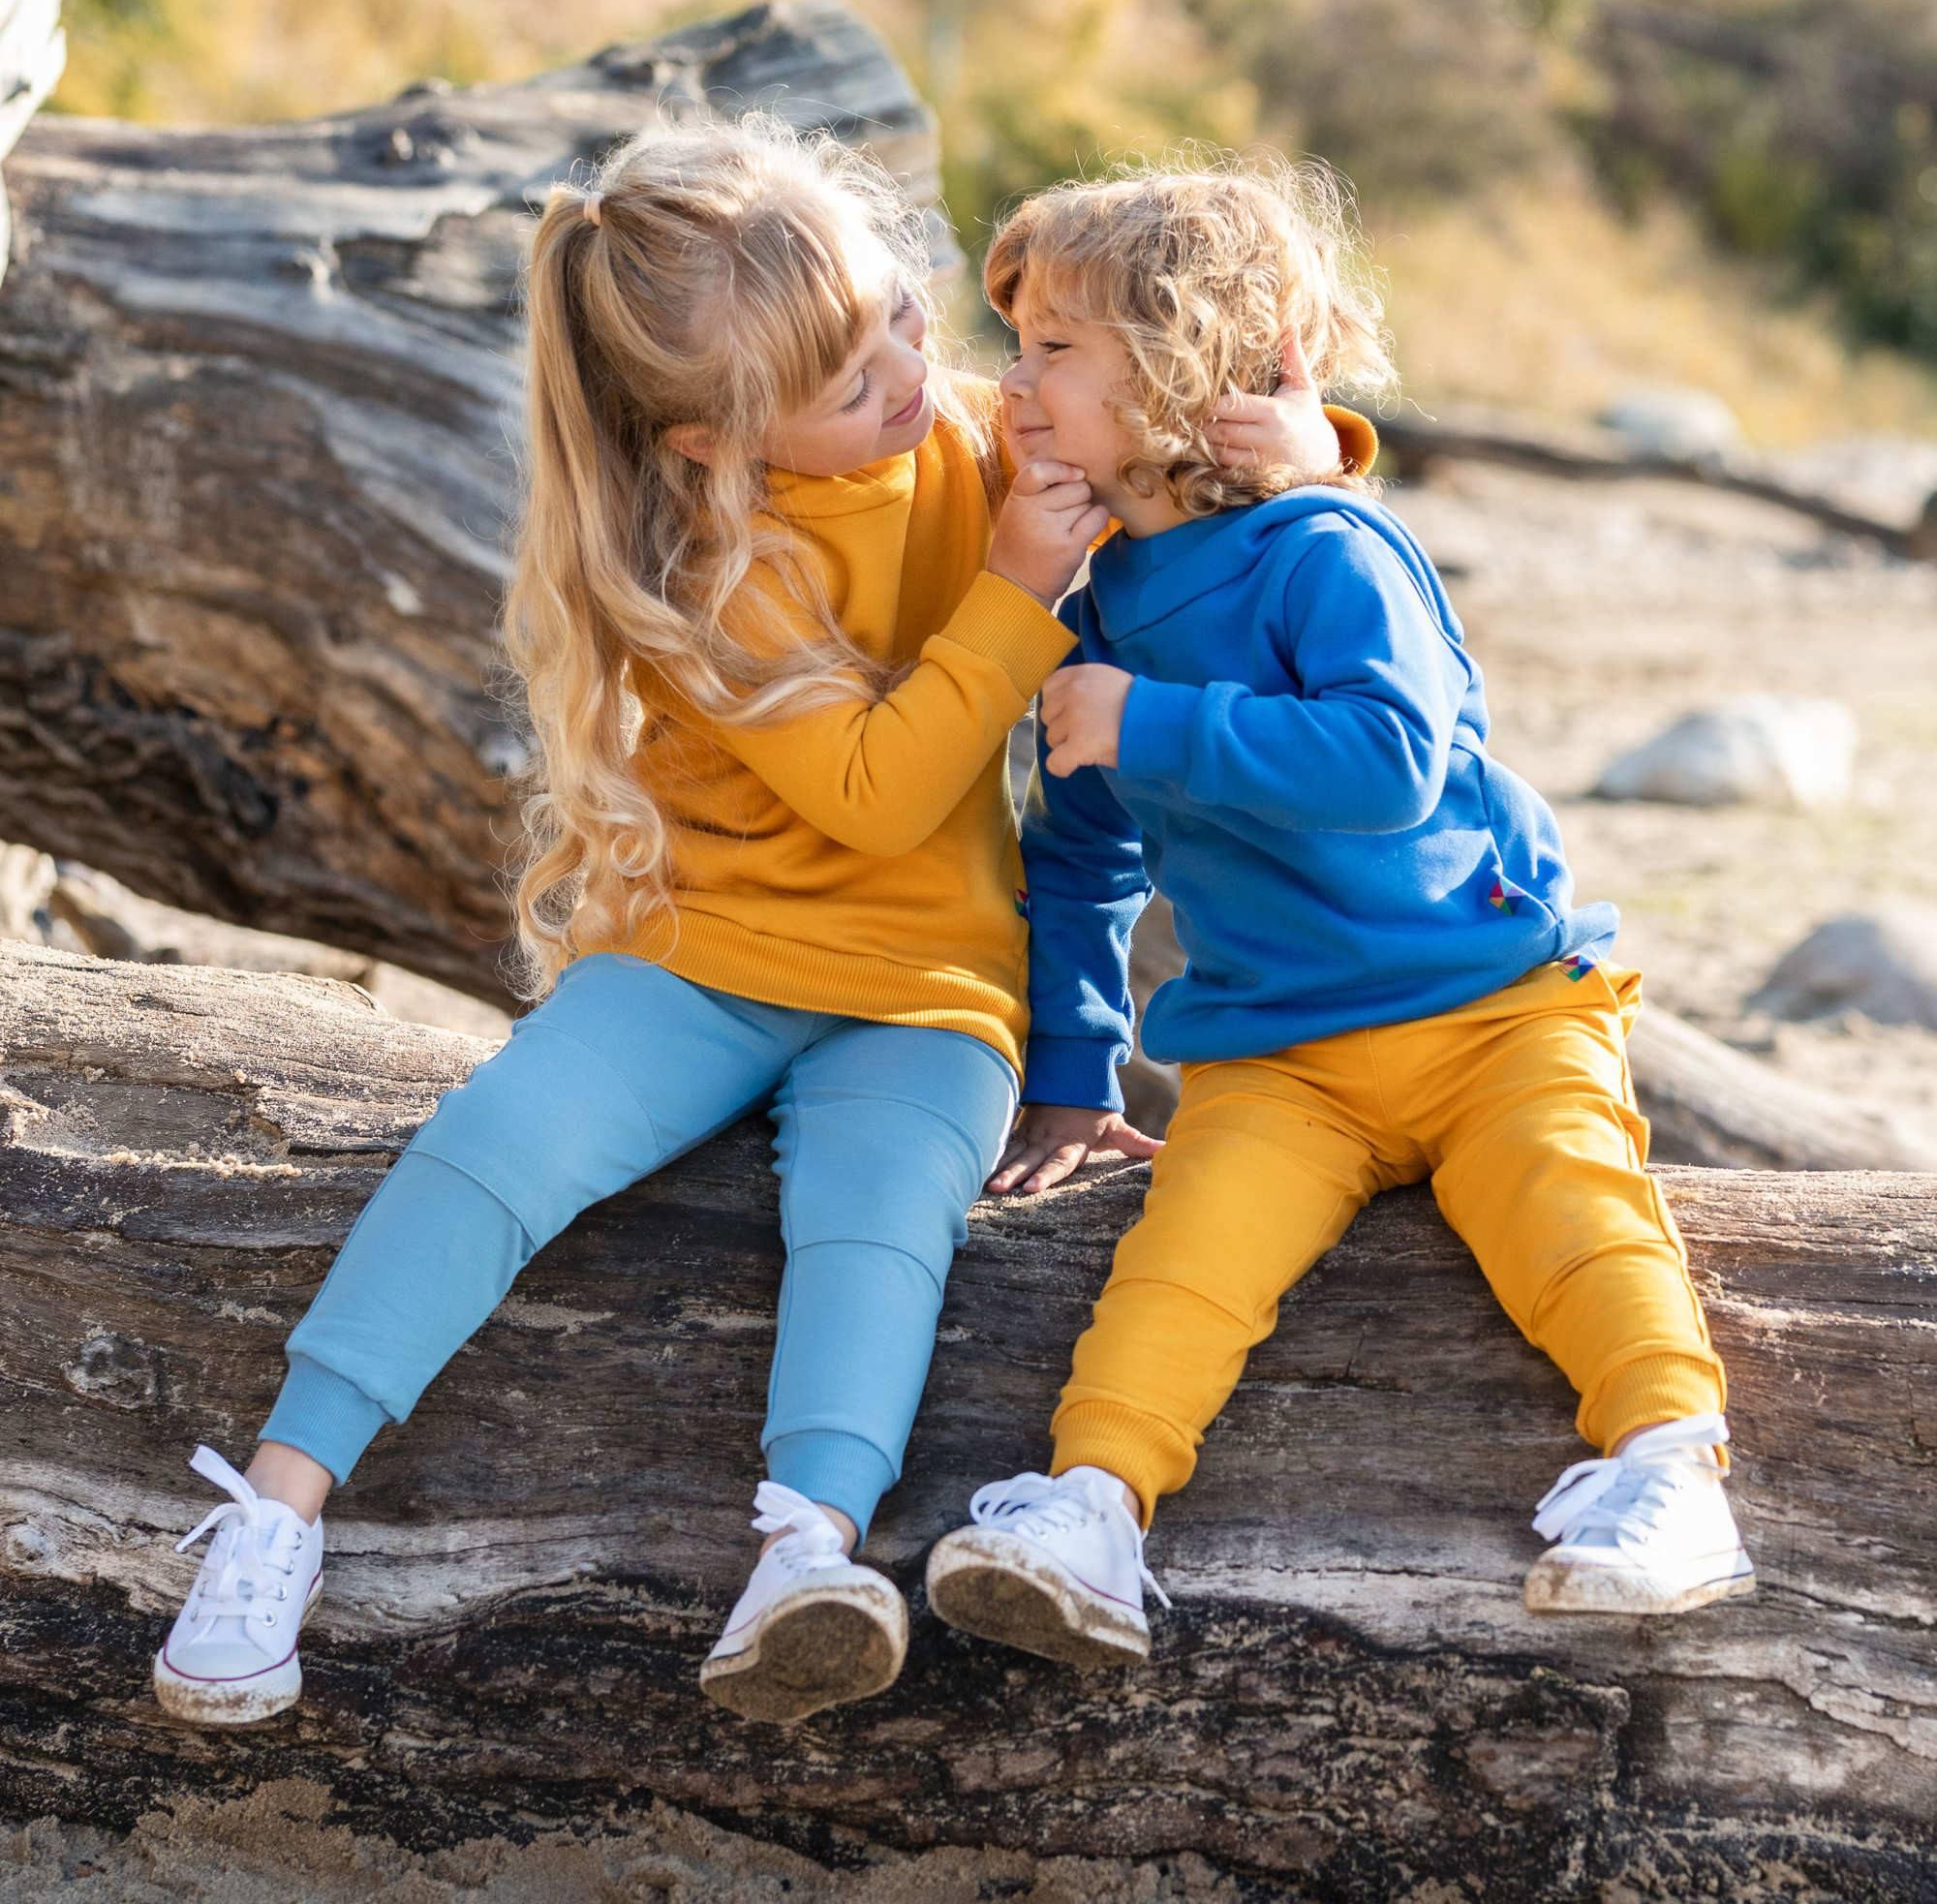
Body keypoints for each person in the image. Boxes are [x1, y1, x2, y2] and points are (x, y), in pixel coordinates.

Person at [150, 116, 1371, 1728]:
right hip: (704, 961)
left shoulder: (954, 439)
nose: (907, 365)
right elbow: (872, 790)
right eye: (849, 375)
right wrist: (1013, 589)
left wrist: (1317, 458)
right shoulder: (712, 564)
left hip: (930, 987)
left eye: (893, 314)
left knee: (879, 1230)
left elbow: (1190, 484)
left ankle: (808, 1553)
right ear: (706, 446)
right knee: (495, 1146)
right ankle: (275, 1511)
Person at [928, 155, 1751, 1674]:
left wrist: (1152, 723)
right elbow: (1084, 859)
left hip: (1491, 1008)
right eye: (1017, 346)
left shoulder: (1333, 549)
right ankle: (1094, 1511)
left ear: (1178, 371)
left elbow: (1386, 766)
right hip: (1279, 1062)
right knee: (1178, 1273)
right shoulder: (1101, 607)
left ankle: (1669, 1473)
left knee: (1574, 1217)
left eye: (1053, 348)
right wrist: (1064, 1071)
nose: (1014, 383)